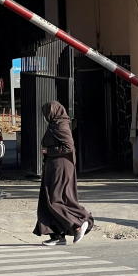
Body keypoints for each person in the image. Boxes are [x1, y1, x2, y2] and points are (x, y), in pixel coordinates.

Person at [34, 101, 94, 246]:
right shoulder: (55, 124)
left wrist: (49, 151)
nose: (45, 116)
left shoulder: (61, 125)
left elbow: (68, 146)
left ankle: (79, 222)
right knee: (49, 200)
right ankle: (57, 235)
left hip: (60, 167)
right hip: (53, 166)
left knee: (56, 200)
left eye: (47, 112)